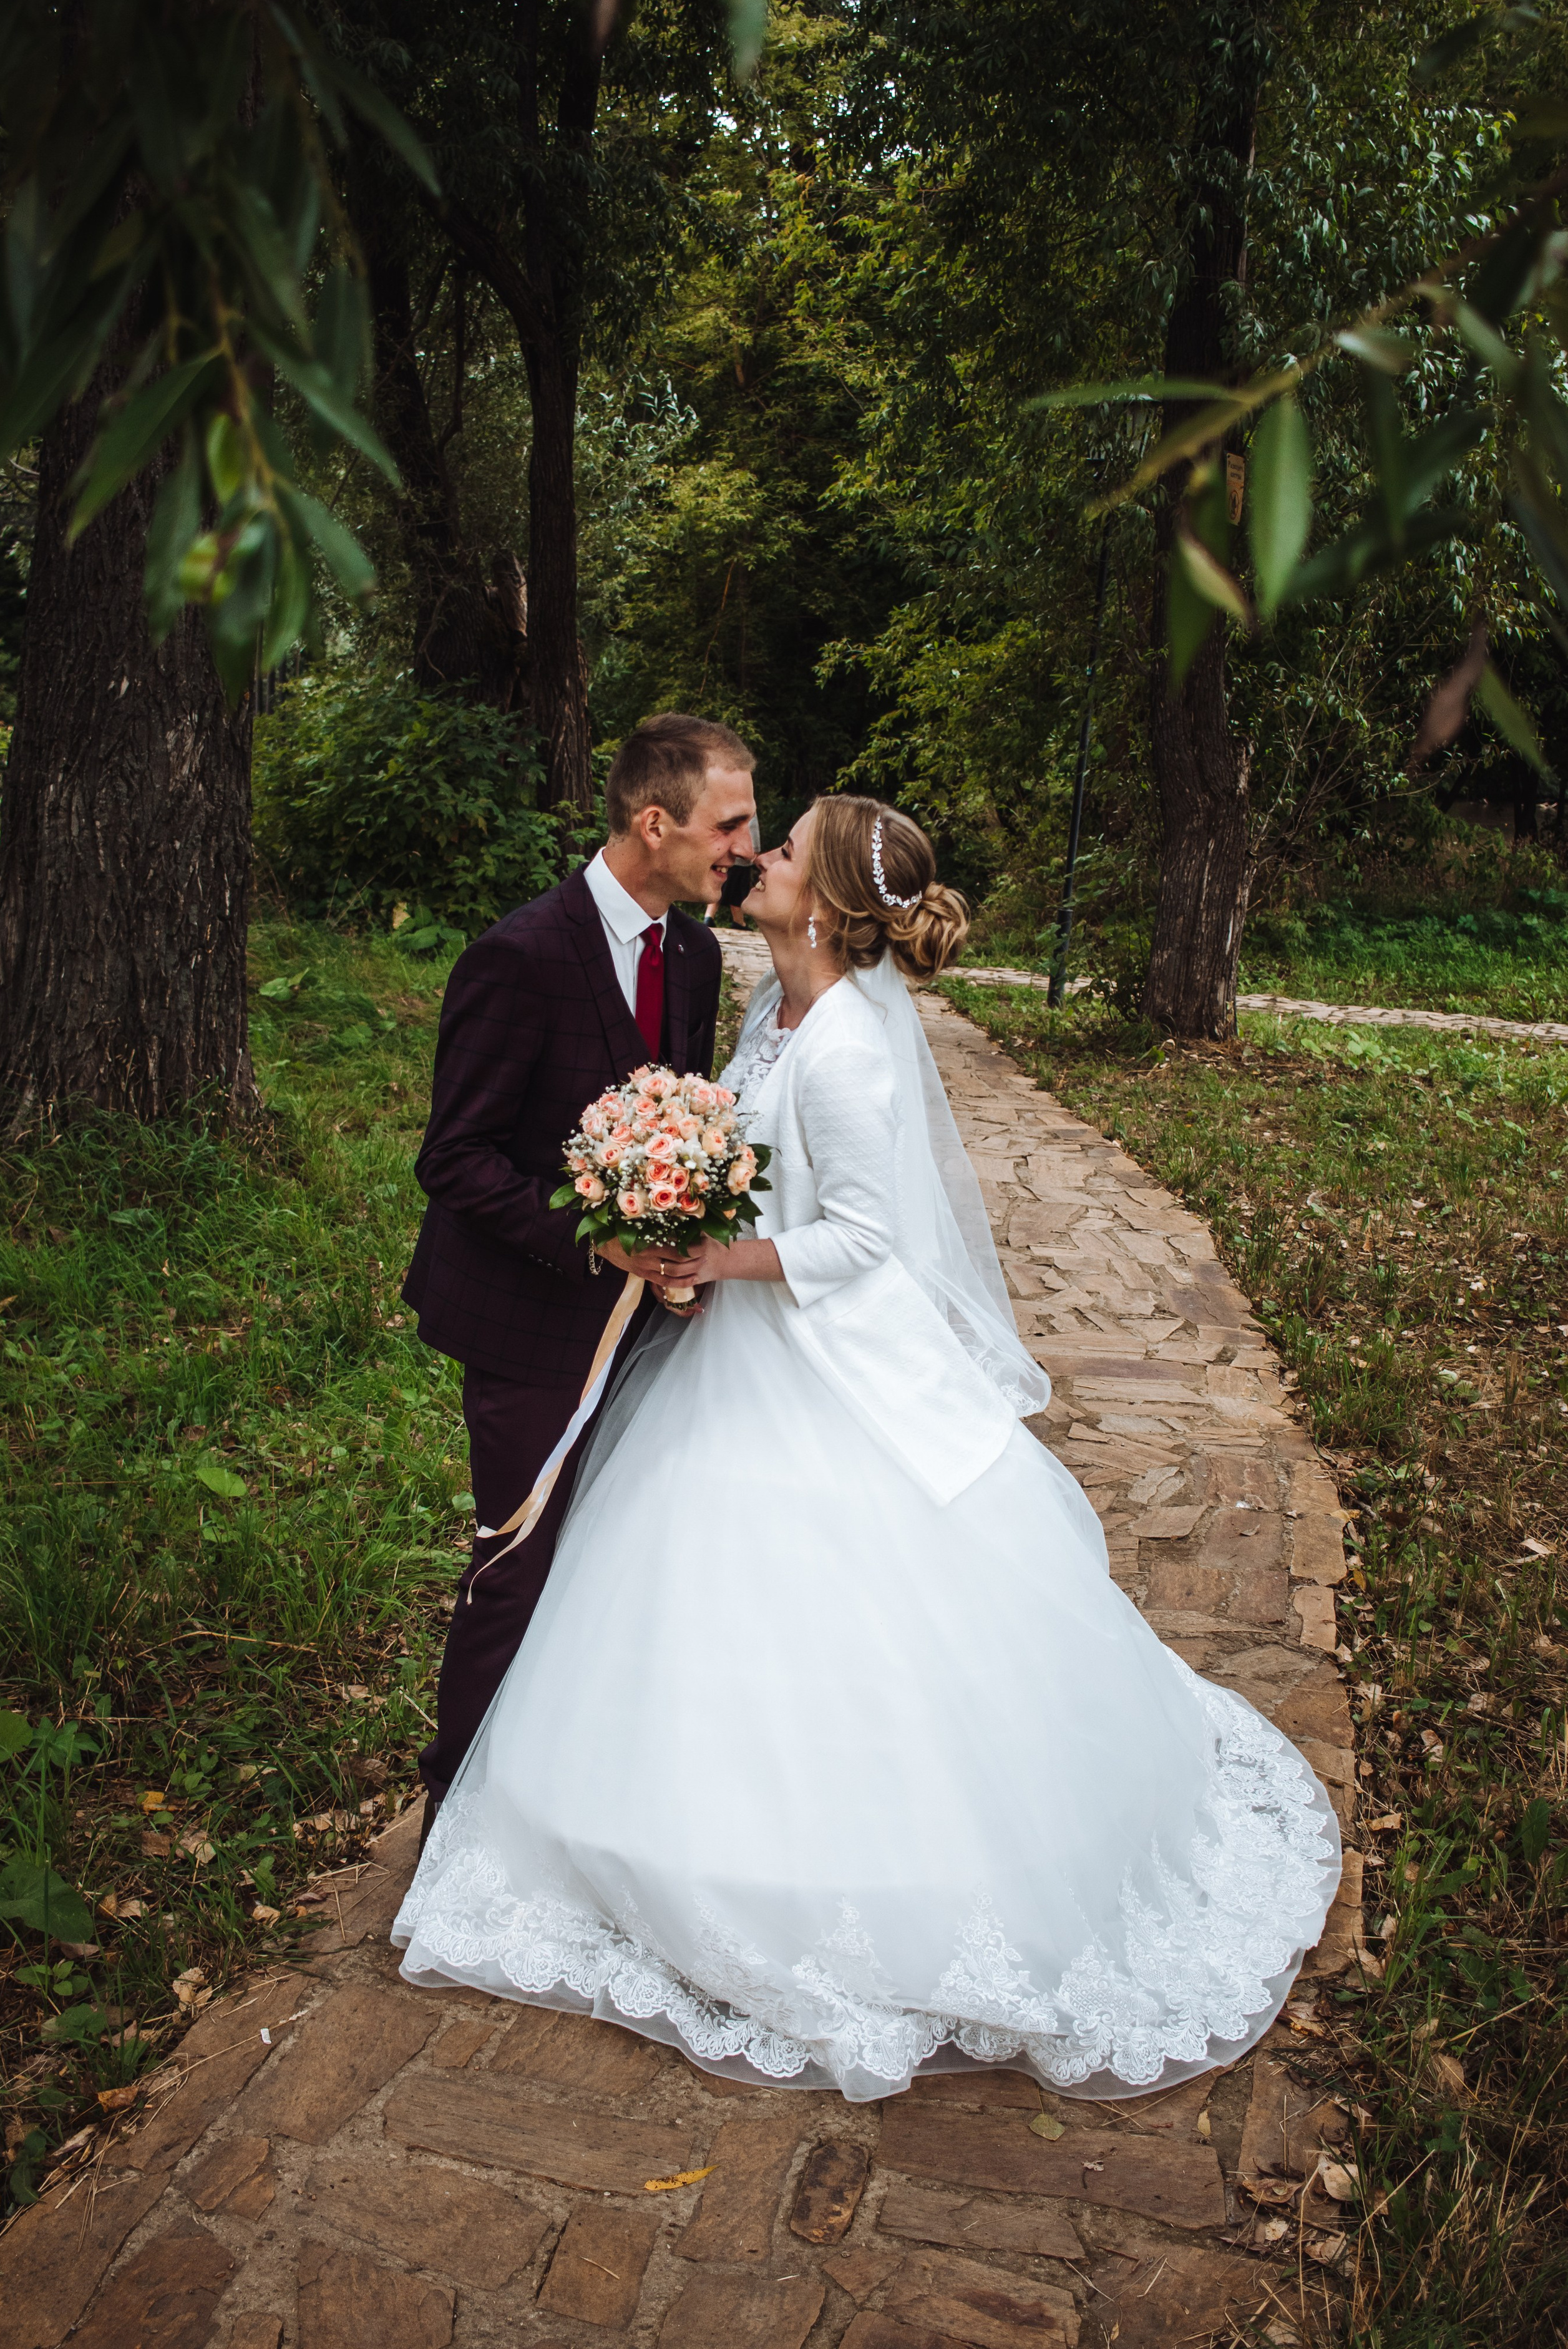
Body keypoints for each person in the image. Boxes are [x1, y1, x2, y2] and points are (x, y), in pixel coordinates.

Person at [392, 794, 1342, 2101]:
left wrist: (709, 1255)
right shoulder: (767, 1009)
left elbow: (859, 1240)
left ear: (830, 905)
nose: (758, 858)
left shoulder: (845, 1048)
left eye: (780, 851)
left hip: (814, 1360)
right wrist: (673, 1226)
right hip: (730, 1349)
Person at [401, 712, 757, 1844]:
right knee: (515, 1562)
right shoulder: (518, 956)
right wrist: (593, 1245)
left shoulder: (696, 958)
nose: (743, 847)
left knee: (612, 1562)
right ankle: (453, 1812)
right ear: (655, 824)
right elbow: (451, 1157)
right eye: (728, 823)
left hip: (646, 1326)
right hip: (523, 1325)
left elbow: (671, 1126)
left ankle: (569, 1798)